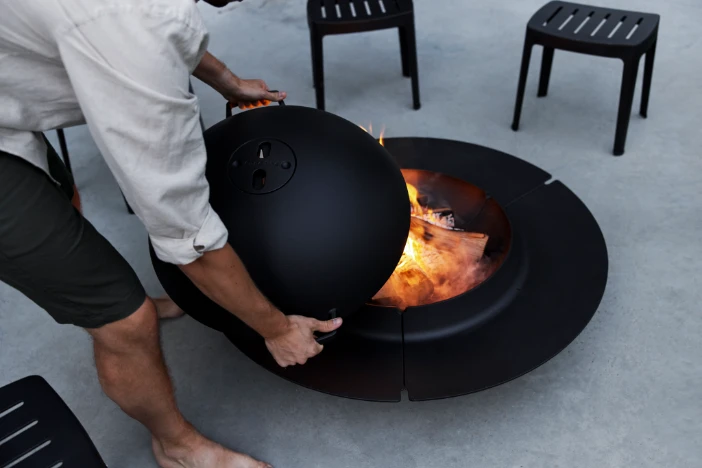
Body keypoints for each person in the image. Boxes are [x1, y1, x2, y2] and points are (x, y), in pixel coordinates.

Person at [0, 0, 343, 466]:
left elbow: (149, 27)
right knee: (126, 321)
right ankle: (177, 446)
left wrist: (225, 80)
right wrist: (278, 329)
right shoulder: (133, 29)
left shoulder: (140, 21)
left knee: (61, 203)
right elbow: (188, 240)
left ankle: (97, 291)